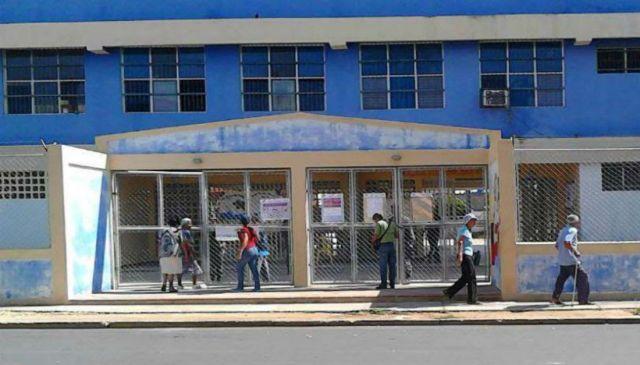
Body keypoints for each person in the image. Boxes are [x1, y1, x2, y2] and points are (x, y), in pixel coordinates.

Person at [551, 214, 591, 305]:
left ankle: (555, 298)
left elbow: (557, 245)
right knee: (582, 278)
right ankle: (583, 300)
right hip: (571, 260)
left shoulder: (562, 231)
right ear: (576, 223)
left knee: (561, 279)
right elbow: (567, 242)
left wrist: (563, 253)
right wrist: (575, 251)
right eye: (578, 222)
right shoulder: (573, 230)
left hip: (562, 260)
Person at [443, 213, 478, 304]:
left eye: (475, 220)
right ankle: (472, 299)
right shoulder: (464, 230)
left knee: (466, 277)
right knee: (471, 277)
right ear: (467, 221)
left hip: (467, 255)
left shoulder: (467, 230)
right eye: (473, 220)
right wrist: (460, 255)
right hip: (465, 255)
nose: (474, 222)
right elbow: (460, 242)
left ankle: (449, 291)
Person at [177, 218, 206, 289]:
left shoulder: (180, 231)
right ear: (185, 225)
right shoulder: (186, 232)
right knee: (195, 268)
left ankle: (179, 284)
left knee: (182, 269)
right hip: (187, 253)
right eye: (189, 224)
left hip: (182, 253)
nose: (191, 225)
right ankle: (194, 284)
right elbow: (185, 243)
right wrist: (188, 254)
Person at [371, 213, 398, 290]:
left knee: (383, 266)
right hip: (391, 246)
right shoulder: (392, 224)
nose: (375, 222)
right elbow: (397, 235)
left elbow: (376, 235)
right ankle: (392, 283)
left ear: (376, 219)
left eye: (374, 221)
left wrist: (372, 242)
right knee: (392, 265)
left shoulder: (379, 224)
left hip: (383, 246)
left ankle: (384, 284)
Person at [235, 215, 261, 292]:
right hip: (254, 249)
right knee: (254, 268)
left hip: (248, 250)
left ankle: (240, 287)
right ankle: (257, 286)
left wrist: (240, 251)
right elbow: (258, 239)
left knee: (239, 267)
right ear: (249, 221)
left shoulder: (244, 230)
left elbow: (245, 240)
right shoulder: (251, 229)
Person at [158, 218, 181, 293]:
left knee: (165, 269)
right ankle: (171, 286)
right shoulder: (176, 231)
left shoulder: (164, 231)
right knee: (171, 270)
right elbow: (179, 242)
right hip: (172, 253)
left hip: (163, 253)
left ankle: (164, 284)